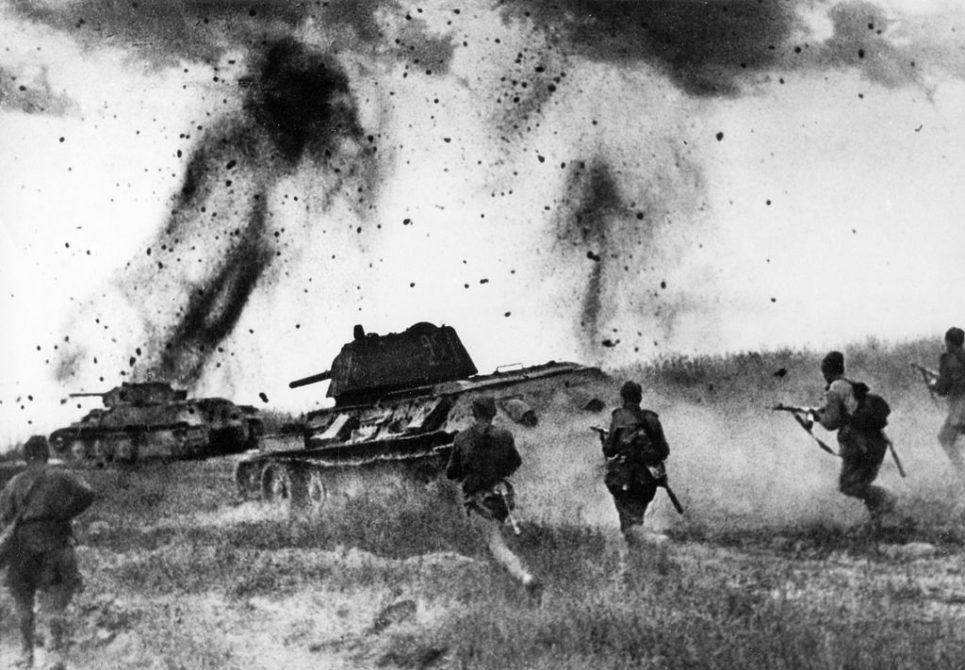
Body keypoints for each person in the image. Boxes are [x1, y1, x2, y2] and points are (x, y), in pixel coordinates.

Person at [0, 435, 96, 669]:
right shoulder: (62, 475)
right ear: (46, 454)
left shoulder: (14, 483)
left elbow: (6, 517)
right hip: (56, 545)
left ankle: (26, 655)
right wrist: (65, 513)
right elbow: (88, 493)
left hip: (23, 550)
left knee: (23, 605)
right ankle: (55, 657)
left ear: (25, 456)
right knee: (54, 603)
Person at [446, 396, 541, 599]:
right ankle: (502, 580)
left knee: (495, 543)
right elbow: (515, 462)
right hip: (502, 497)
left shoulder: (461, 438)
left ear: (473, 413)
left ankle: (525, 579)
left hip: (478, 501)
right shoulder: (504, 435)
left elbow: (451, 473)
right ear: (494, 413)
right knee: (494, 538)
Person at [812, 351, 895, 526]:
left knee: (849, 485)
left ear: (827, 370)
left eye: (823, 371)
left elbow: (832, 422)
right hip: (874, 442)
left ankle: (887, 499)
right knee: (861, 484)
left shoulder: (835, 388)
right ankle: (878, 522)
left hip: (858, 445)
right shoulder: (851, 386)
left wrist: (815, 417)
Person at [602, 380, 671, 546]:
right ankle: (639, 554)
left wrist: (605, 440)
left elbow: (609, 450)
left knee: (629, 526)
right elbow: (664, 451)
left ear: (623, 398)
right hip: (647, 480)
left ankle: (656, 542)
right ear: (640, 398)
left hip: (624, 479)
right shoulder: (652, 418)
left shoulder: (618, 417)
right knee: (636, 520)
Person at [931, 327, 965, 475]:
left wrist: (933, 385)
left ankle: (962, 473)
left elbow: (943, 389)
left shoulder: (948, 359)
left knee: (944, 439)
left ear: (949, 342)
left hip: (960, 408)